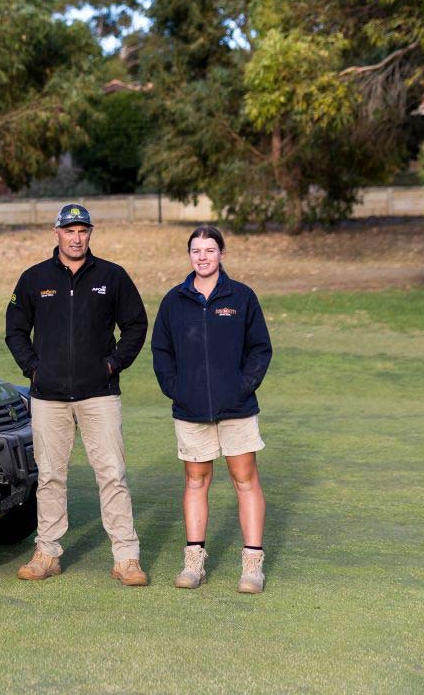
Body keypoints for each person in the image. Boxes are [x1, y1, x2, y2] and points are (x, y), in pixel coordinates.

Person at [5, 203, 150, 584]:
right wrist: (34, 369)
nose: (76, 237)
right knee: (51, 476)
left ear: (90, 233)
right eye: (69, 230)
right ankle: (47, 553)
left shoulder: (112, 276)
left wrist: (111, 365)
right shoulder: (34, 278)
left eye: (82, 230)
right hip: (48, 397)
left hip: (99, 395)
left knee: (113, 474)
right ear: (57, 233)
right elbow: (15, 330)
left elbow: (135, 325)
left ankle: (126, 557)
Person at [151, 225, 273, 593]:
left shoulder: (242, 297)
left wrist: (241, 387)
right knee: (195, 481)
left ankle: (252, 566)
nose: (202, 256)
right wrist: (176, 390)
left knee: (245, 480)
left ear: (221, 254)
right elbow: (161, 352)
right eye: (195, 250)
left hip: (236, 409)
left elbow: (260, 350)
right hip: (190, 411)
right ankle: (194, 564)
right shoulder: (174, 301)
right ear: (189, 255)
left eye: (209, 250)